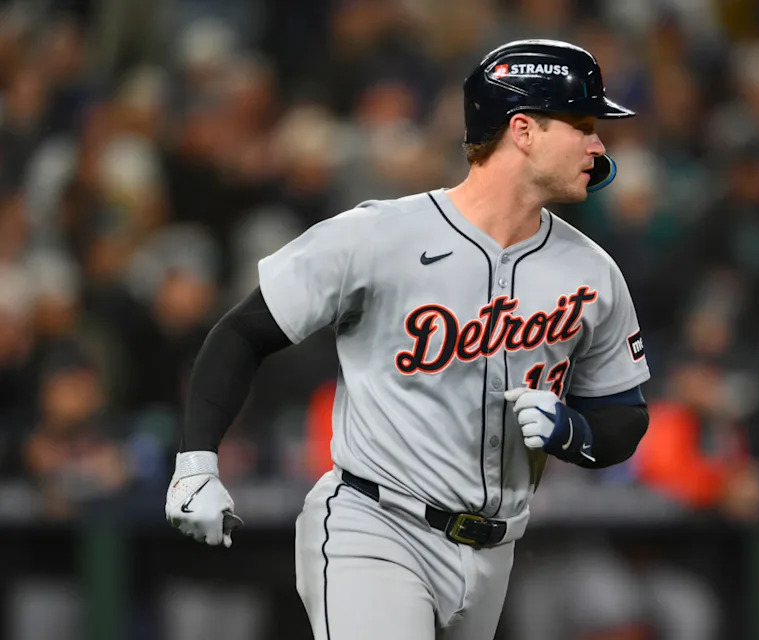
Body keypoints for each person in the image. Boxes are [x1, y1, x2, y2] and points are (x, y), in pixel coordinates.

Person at [164, 39, 652, 640]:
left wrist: (574, 433)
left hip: (495, 551)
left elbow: (624, 415)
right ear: (523, 130)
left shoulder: (593, 272)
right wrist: (195, 464)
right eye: (582, 124)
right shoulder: (379, 236)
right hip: (376, 526)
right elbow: (243, 331)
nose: (599, 143)